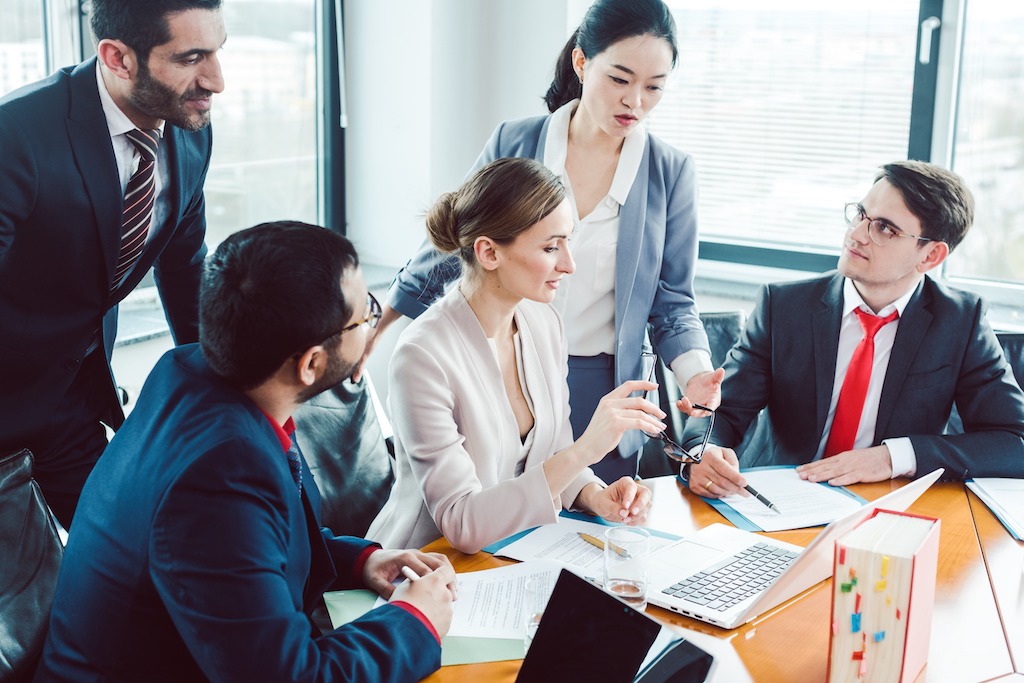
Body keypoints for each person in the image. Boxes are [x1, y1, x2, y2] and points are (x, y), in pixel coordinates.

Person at [35, 222, 457, 682]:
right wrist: (417, 621)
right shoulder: (220, 474)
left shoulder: (191, 371)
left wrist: (360, 560)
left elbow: (258, 545)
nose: (374, 324)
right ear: (311, 363)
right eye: (364, 316)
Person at [357, 0, 724, 482]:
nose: (635, 101)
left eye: (654, 87)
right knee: (491, 527)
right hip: (501, 372)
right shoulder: (516, 142)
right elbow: (451, 243)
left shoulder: (670, 173)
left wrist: (695, 371)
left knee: (597, 533)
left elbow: (673, 301)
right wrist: (377, 329)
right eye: (619, 79)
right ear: (581, 61)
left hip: (604, 388)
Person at [367, 157, 666, 554]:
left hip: (519, 552)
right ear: (489, 253)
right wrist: (588, 448)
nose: (569, 264)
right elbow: (462, 523)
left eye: (568, 241)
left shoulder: (543, 322)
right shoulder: (421, 356)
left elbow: (553, 455)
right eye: (550, 247)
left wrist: (595, 494)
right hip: (428, 565)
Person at [0, 0, 225, 528]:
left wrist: (223, 386)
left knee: (122, 562)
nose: (215, 80)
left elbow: (185, 265)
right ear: (117, 58)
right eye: (191, 57)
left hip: (72, 397)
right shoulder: (17, 136)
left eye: (216, 52)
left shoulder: (188, 128)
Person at [680, 160, 1024, 499]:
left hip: (890, 505)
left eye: (885, 228)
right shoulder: (783, 306)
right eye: (861, 214)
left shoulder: (960, 321)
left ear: (931, 256)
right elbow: (721, 411)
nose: (856, 235)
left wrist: (894, 457)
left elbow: (1015, 441)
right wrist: (701, 453)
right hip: (775, 499)